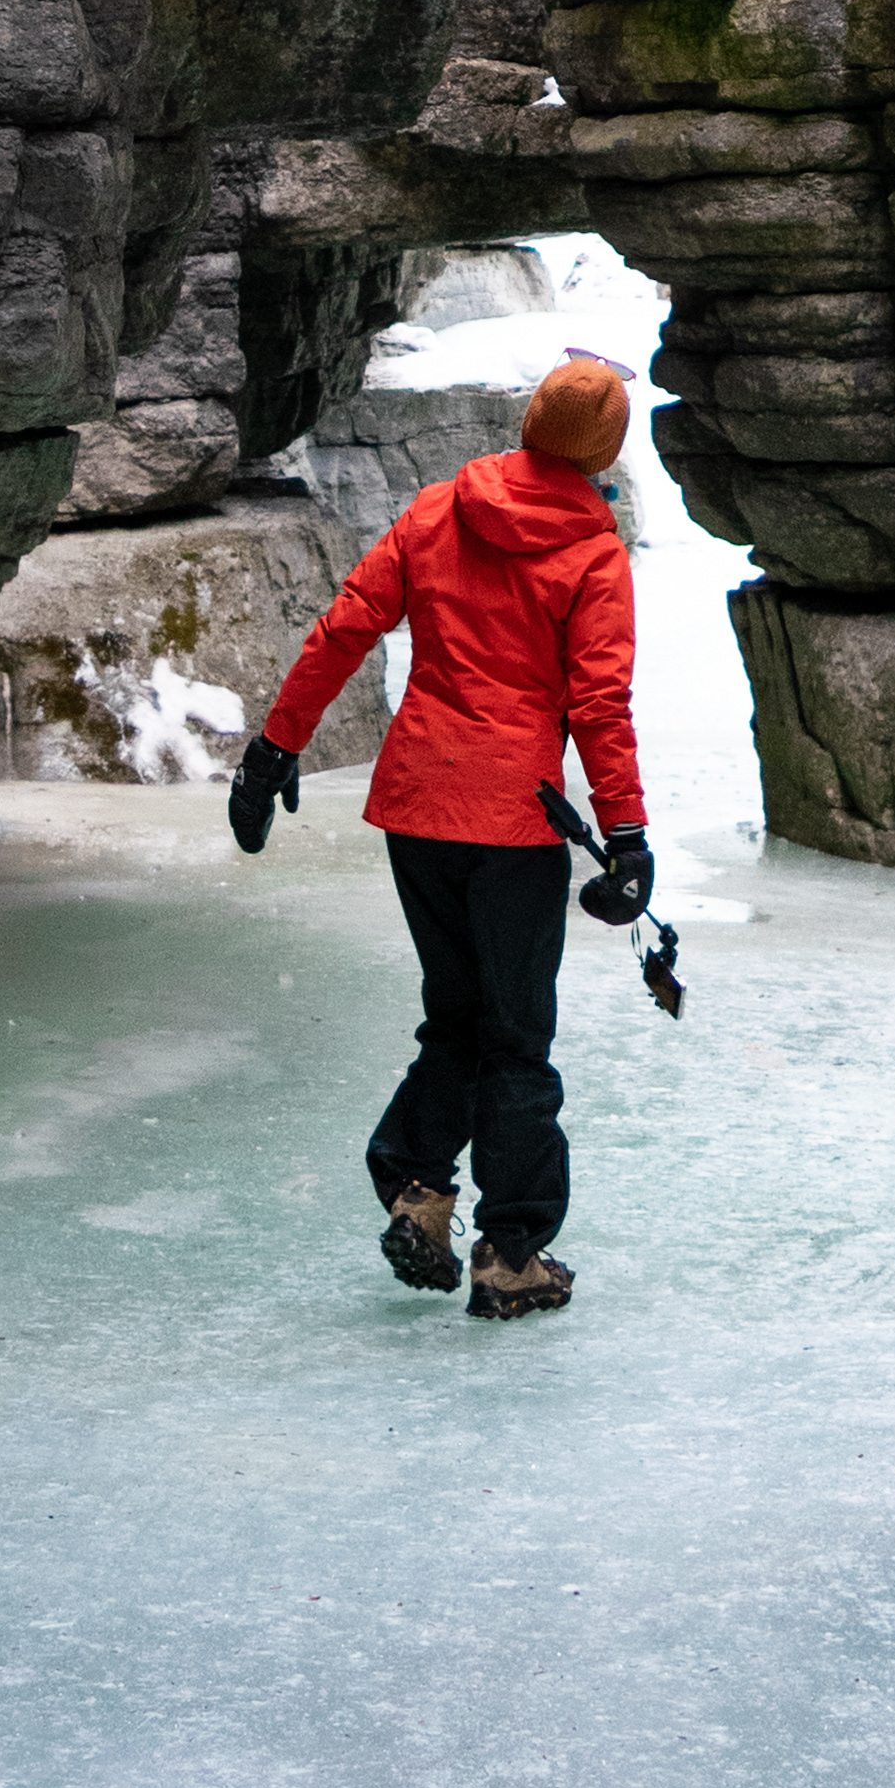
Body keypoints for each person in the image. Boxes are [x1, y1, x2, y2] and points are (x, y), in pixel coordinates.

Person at [226, 350, 654, 1320]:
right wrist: (626, 834)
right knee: (515, 1040)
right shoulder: (590, 555)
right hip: (511, 826)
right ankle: (511, 1252)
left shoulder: (438, 510)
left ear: (529, 425)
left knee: (457, 1015)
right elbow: (599, 704)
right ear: (601, 456)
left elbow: (344, 627)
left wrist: (272, 752)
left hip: (419, 810)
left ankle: (418, 1185)